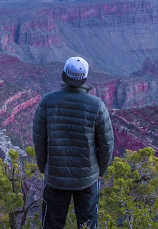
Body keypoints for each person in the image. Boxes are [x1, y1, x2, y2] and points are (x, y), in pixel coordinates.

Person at [32, 56, 114, 229]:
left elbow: (39, 140)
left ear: (64, 75)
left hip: (55, 177)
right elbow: (106, 145)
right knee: (87, 224)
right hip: (87, 178)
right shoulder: (97, 106)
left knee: (52, 224)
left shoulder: (47, 102)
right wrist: (101, 171)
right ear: (84, 78)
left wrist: (43, 167)